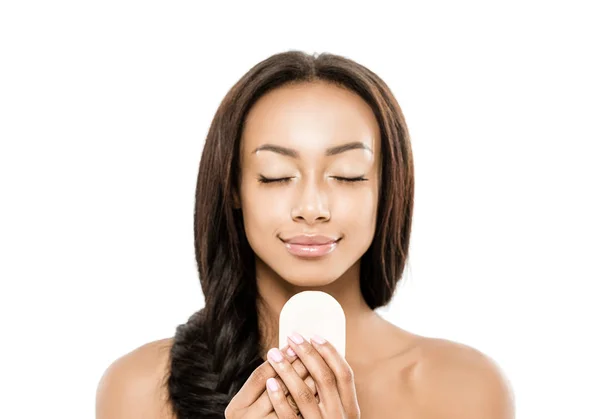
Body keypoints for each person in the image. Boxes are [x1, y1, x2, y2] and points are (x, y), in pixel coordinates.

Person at [96, 50, 514, 419]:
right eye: (276, 177)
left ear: (387, 191)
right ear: (234, 190)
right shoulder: (138, 388)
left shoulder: (465, 388)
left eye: (348, 176)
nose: (312, 208)